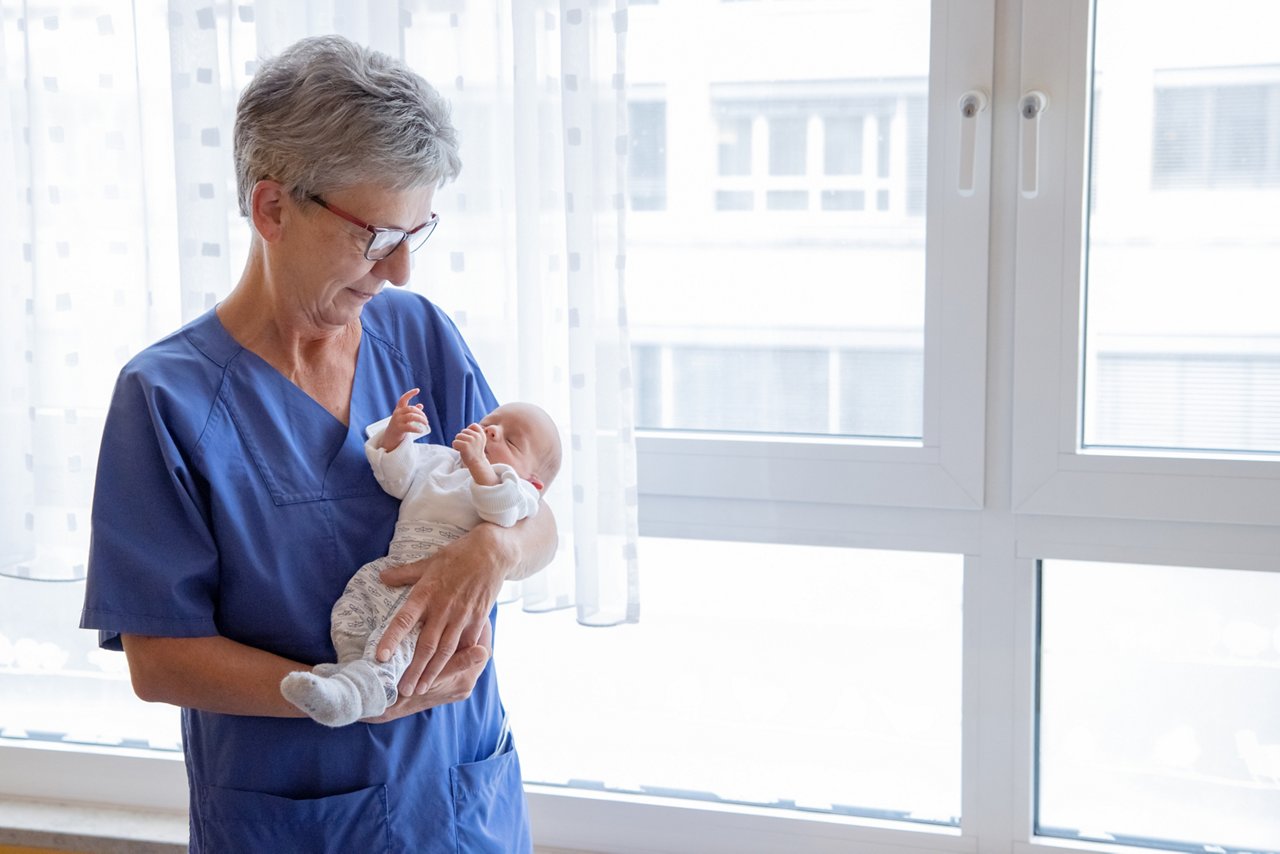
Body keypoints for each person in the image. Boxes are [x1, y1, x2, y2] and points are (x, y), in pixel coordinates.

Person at [79, 35, 556, 853]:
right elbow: (160, 660)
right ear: (272, 209)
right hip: (297, 820)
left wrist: (494, 556)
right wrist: (350, 692)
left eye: (419, 232)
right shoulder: (167, 398)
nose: (401, 271)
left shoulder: (420, 336)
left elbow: (533, 517)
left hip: (460, 801)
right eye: (376, 237)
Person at [281, 392, 561, 728]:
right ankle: (351, 675)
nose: (492, 432)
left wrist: (479, 466)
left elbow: (502, 511)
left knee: (400, 636)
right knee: (353, 607)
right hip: (395, 565)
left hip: (445, 594)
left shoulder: (517, 489)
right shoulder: (441, 460)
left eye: (511, 440)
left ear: (535, 482)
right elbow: (397, 478)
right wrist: (396, 437)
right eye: (489, 423)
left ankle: (365, 687)